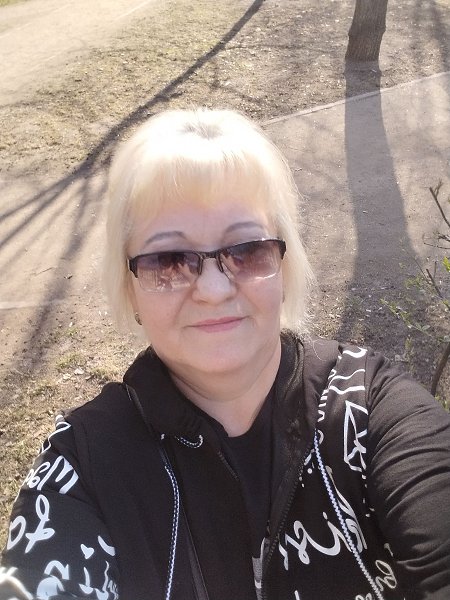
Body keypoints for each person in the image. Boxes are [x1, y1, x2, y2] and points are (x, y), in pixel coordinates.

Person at [1, 108, 449, 600]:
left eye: (247, 250)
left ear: (284, 268)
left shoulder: (369, 409)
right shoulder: (85, 464)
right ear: (131, 291)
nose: (214, 289)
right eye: (169, 260)